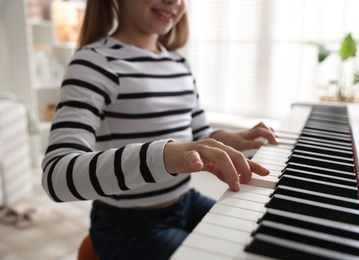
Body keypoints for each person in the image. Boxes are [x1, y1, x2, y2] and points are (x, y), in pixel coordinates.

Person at [41, 0, 278, 259]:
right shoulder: (94, 63)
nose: (174, 2)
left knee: (257, 236)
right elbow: (56, 177)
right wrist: (166, 156)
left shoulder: (179, 64)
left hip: (186, 201)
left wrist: (232, 139)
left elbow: (198, 131)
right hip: (127, 226)